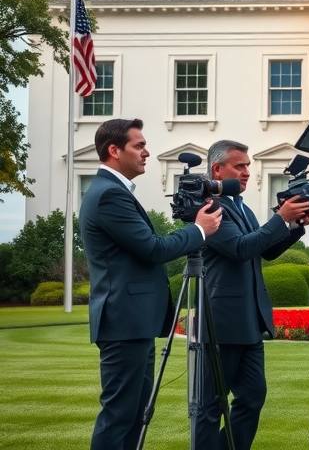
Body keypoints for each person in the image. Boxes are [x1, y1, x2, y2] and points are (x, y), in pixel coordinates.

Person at [79, 118, 222, 450]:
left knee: (133, 415)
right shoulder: (107, 195)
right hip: (123, 321)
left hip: (133, 321)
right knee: (119, 415)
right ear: (114, 150)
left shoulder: (114, 192)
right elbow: (153, 249)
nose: (147, 152)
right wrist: (199, 230)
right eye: (139, 145)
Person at [195, 140, 309, 450]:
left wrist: (293, 225)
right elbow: (239, 250)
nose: (247, 172)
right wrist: (279, 218)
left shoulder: (242, 207)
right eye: (240, 166)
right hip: (220, 324)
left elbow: (261, 251)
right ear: (217, 169)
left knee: (252, 398)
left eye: (248, 166)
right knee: (211, 405)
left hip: (250, 322)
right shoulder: (210, 208)